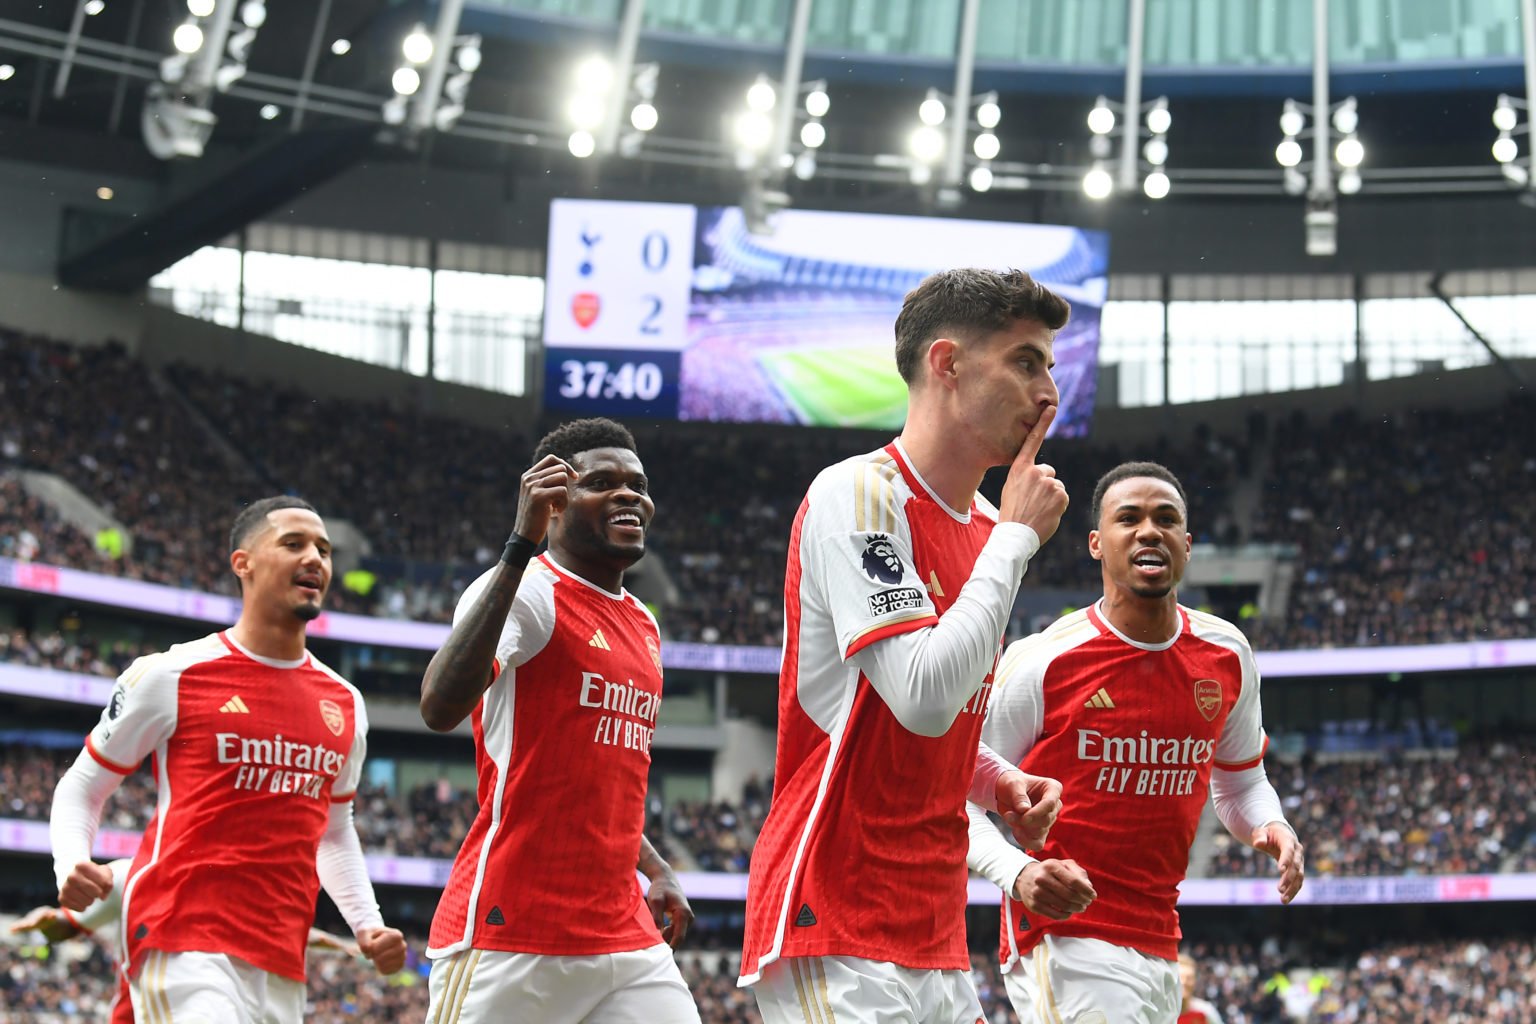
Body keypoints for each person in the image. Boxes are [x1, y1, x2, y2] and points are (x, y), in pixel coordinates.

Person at [739, 267, 1073, 1022]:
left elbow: (935, 722)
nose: (1049, 393)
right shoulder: (859, 494)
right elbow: (922, 699)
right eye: (1026, 362)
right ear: (947, 364)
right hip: (834, 917)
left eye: (1050, 367)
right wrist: (1018, 540)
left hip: (933, 930)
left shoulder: (986, 530)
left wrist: (995, 782)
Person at [967, 462, 1305, 1022]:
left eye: (1166, 519)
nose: (1150, 530)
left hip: (1160, 940)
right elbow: (957, 790)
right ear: (1097, 544)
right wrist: (1017, 872)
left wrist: (1272, 826)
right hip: (1066, 936)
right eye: (1130, 518)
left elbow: (1241, 780)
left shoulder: (1227, 654)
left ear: (1187, 544)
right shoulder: (1042, 661)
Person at [49, 496, 407, 1024]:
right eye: (294, 544)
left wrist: (366, 923)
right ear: (244, 563)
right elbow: (84, 785)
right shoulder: (172, 674)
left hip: (280, 958)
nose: (316, 559)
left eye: (325, 550)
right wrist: (70, 858)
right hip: (180, 932)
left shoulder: (345, 703)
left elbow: (332, 830)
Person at [418, 417, 700, 1024]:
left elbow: (597, 782)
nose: (630, 495)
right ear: (552, 503)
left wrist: (656, 867)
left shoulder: (644, 624)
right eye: (601, 481)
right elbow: (439, 706)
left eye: (638, 484)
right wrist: (518, 551)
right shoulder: (526, 592)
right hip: (514, 928)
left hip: (623, 934)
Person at [1177, 953, 1225, 1024]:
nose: (1184, 982)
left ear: (1195, 982)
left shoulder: (1206, 1011)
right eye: (1180, 977)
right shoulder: (1162, 1012)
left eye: (1189, 978)